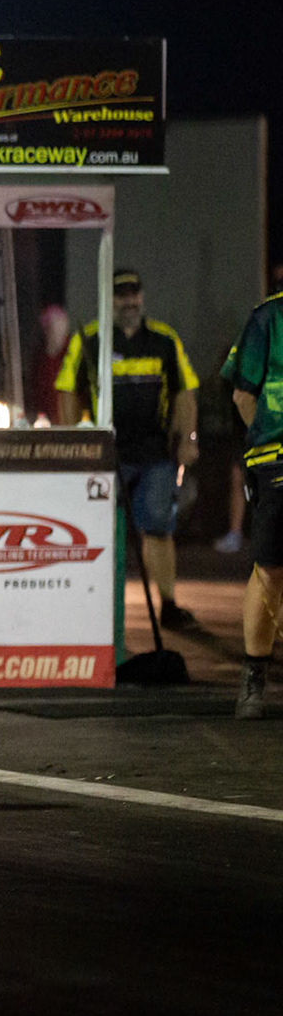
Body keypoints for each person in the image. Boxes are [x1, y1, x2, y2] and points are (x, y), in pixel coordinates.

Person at [55, 270, 201, 631]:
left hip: (156, 452)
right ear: (109, 299)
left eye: (134, 294)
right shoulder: (88, 338)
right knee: (98, 530)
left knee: (158, 528)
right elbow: (66, 391)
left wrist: (188, 439)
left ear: (143, 297)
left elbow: (185, 393)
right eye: (120, 295)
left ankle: (168, 606)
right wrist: (78, 442)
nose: (128, 301)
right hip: (105, 456)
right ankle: (94, 607)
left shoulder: (165, 340)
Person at [222, 288, 283, 719]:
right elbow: (243, 396)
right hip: (276, 459)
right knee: (269, 568)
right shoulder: (267, 318)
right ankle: (254, 675)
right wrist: (263, 444)